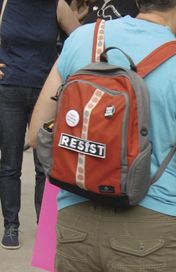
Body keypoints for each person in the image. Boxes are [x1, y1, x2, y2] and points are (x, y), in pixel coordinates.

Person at [29, 0, 176, 270]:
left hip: (74, 223)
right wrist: (142, 180)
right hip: (151, 231)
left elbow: (38, 135)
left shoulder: (85, 37)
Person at [0, 0, 79, 250]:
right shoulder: (5, 3)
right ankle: (10, 226)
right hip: (8, 90)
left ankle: (45, 226)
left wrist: (65, 70)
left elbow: (82, 39)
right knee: (10, 164)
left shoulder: (58, 6)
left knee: (45, 166)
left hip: (46, 94)